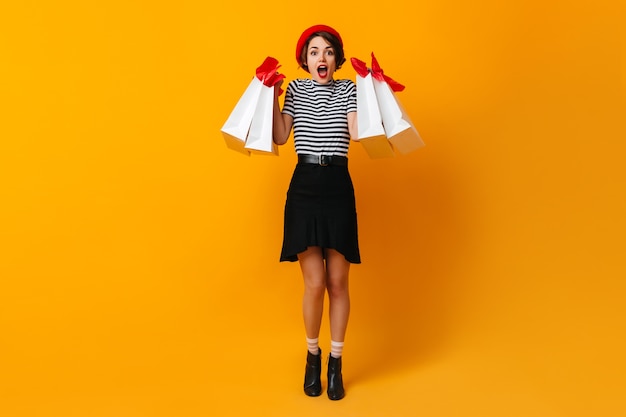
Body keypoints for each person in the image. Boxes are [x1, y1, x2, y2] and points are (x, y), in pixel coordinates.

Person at [272, 24, 359, 401]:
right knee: (314, 284)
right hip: (305, 185)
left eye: (326, 51)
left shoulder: (349, 89)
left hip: (338, 185)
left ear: (336, 59)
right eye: (313, 52)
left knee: (338, 283)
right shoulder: (295, 89)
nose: (320, 57)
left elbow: (356, 134)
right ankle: (312, 355)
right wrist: (271, 99)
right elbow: (279, 136)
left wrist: (372, 92)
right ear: (304, 61)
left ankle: (336, 362)